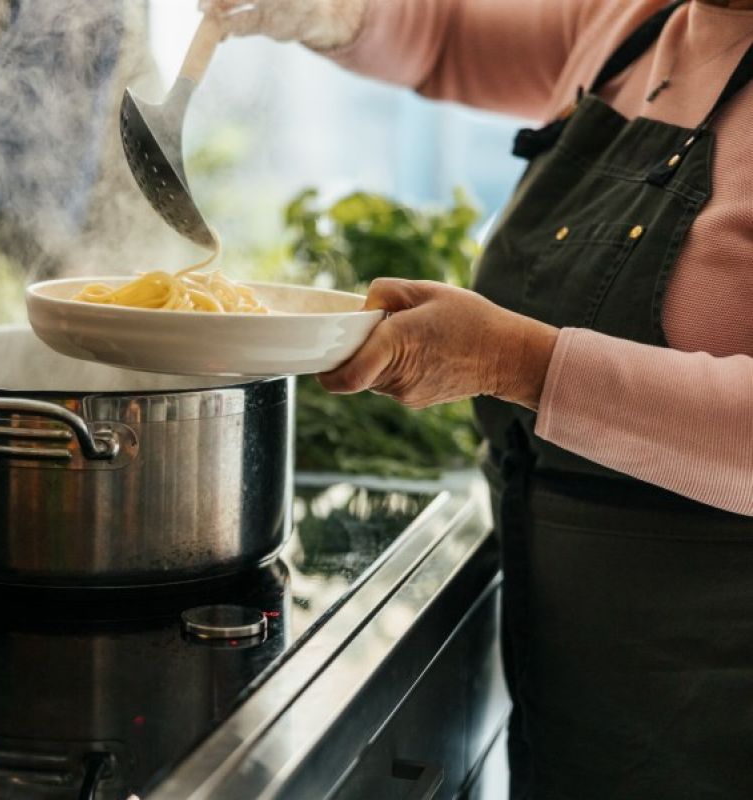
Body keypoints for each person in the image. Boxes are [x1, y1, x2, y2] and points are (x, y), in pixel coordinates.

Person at [203, 0, 753, 797]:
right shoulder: (632, 21)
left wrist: (514, 360)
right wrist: (324, 12)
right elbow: (441, 37)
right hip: (574, 694)